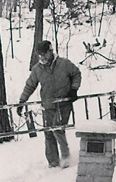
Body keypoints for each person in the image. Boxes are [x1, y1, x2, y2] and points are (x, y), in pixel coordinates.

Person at [17, 40, 82, 168]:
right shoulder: (37, 69)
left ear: (51, 51)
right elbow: (30, 85)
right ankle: (53, 163)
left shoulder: (64, 64)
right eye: (39, 55)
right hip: (48, 105)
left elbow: (76, 74)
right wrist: (22, 101)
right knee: (48, 133)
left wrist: (74, 89)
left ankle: (66, 157)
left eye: (44, 54)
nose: (42, 57)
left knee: (57, 128)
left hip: (63, 103)